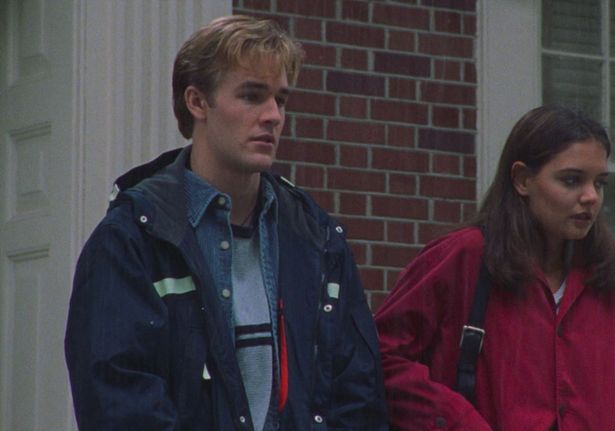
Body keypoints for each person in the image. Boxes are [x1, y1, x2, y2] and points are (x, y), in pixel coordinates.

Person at [65, 15, 387, 431]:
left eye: (281, 100)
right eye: (252, 96)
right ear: (197, 102)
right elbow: (119, 402)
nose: (273, 115)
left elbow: (358, 395)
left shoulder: (318, 239)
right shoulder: (131, 240)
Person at [374, 105, 615, 430]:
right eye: (571, 180)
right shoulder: (463, 257)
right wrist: (457, 420)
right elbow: (380, 358)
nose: (591, 196)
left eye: (600, 183)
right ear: (522, 180)